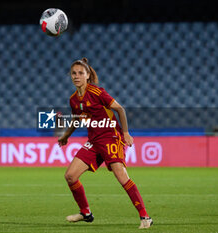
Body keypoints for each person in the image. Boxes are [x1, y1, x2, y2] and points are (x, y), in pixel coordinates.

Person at [58, 58, 153, 229]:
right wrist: (66, 136)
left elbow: (120, 109)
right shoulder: (73, 100)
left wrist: (125, 133)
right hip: (94, 141)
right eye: (74, 73)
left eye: (81, 73)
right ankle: (86, 213)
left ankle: (145, 217)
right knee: (70, 176)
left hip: (111, 137)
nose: (77, 76)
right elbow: (76, 120)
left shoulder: (97, 92)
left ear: (88, 75)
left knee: (121, 176)